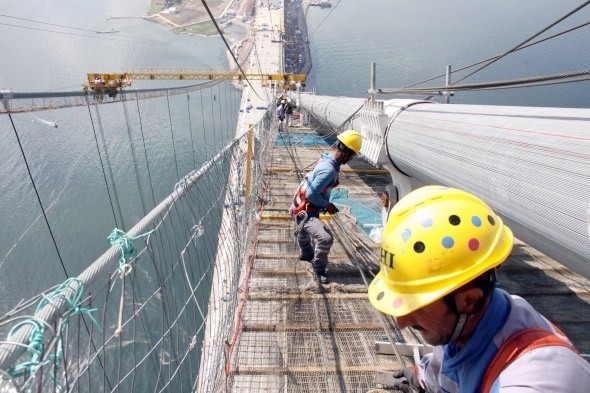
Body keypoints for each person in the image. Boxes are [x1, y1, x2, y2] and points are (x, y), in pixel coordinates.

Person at [368, 186, 590, 392]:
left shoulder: (533, 380)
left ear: (469, 300)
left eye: (416, 305)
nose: (401, 322)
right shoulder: (463, 325)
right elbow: (446, 366)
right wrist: (419, 377)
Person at [289, 130, 362, 284]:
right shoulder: (329, 170)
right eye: (352, 155)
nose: (351, 159)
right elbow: (311, 195)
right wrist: (327, 205)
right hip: (305, 210)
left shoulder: (326, 159)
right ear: (346, 153)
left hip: (298, 206)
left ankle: (306, 254)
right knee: (325, 238)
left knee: (303, 230)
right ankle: (318, 268)